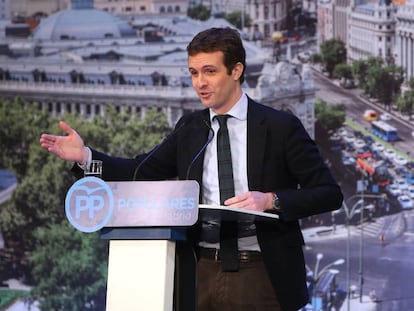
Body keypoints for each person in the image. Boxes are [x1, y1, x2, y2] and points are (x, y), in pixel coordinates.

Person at [40, 27, 343, 311]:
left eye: (210, 71)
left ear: (236, 71)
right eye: (194, 73)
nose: (200, 83)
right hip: (199, 270)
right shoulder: (190, 128)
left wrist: (270, 200)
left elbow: (329, 194)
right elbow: (138, 171)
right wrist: (85, 155)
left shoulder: (280, 127)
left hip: (262, 270)